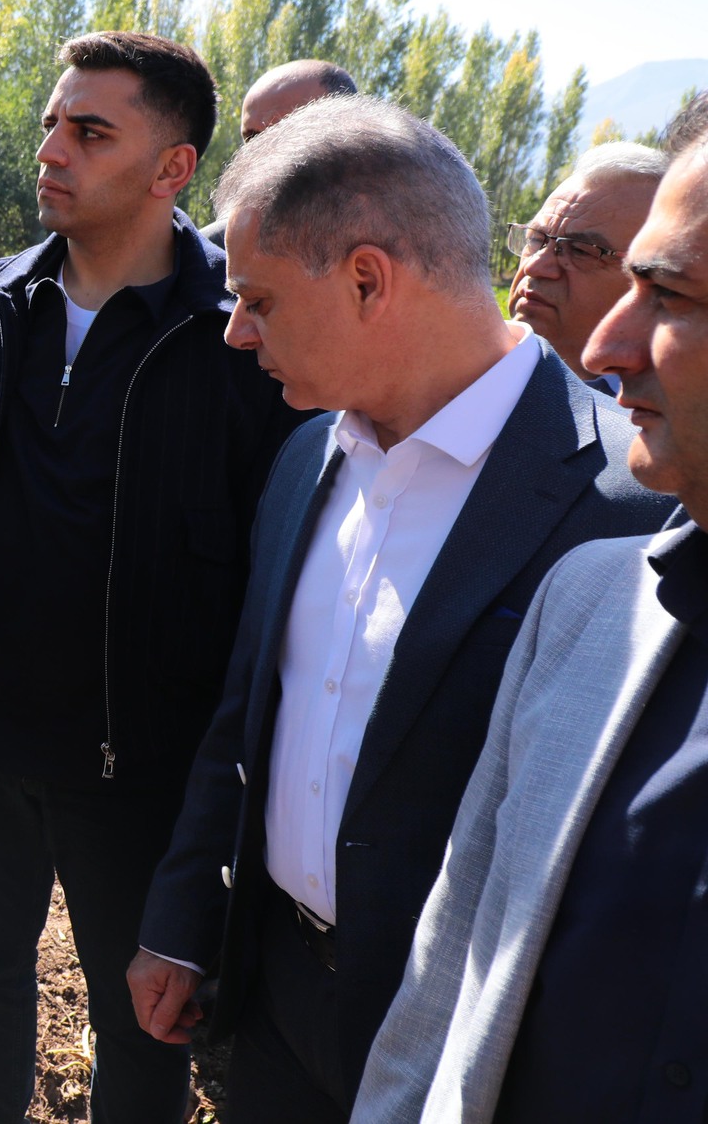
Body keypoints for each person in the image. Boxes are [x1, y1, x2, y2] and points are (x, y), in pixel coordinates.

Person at [128, 95, 671, 1123]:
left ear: (367, 278)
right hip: (277, 1006)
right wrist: (183, 915)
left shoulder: (623, 502)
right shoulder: (303, 457)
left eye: (257, 300)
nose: (237, 334)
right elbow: (251, 711)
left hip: (472, 1047)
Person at [0, 31, 308, 1123]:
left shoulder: (231, 335)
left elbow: (274, 563)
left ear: (171, 167)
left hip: (139, 763)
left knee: (137, 1028)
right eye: (51, 123)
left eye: (89, 131)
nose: (51, 148)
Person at [354, 135, 708, 1122]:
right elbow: (450, 971)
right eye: (538, 240)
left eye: (667, 294)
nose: (606, 350)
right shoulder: (591, 604)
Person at [506, 141, 666, 393]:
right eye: (536, 239)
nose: (536, 266)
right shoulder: (452, 384)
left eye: (580, 251)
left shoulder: (678, 424)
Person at [204, 60, 358, 246]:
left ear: (346, 132)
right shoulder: (213, 257)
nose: (262, 152)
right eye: (252, 138)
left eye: (282, 133)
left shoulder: (394, 237)